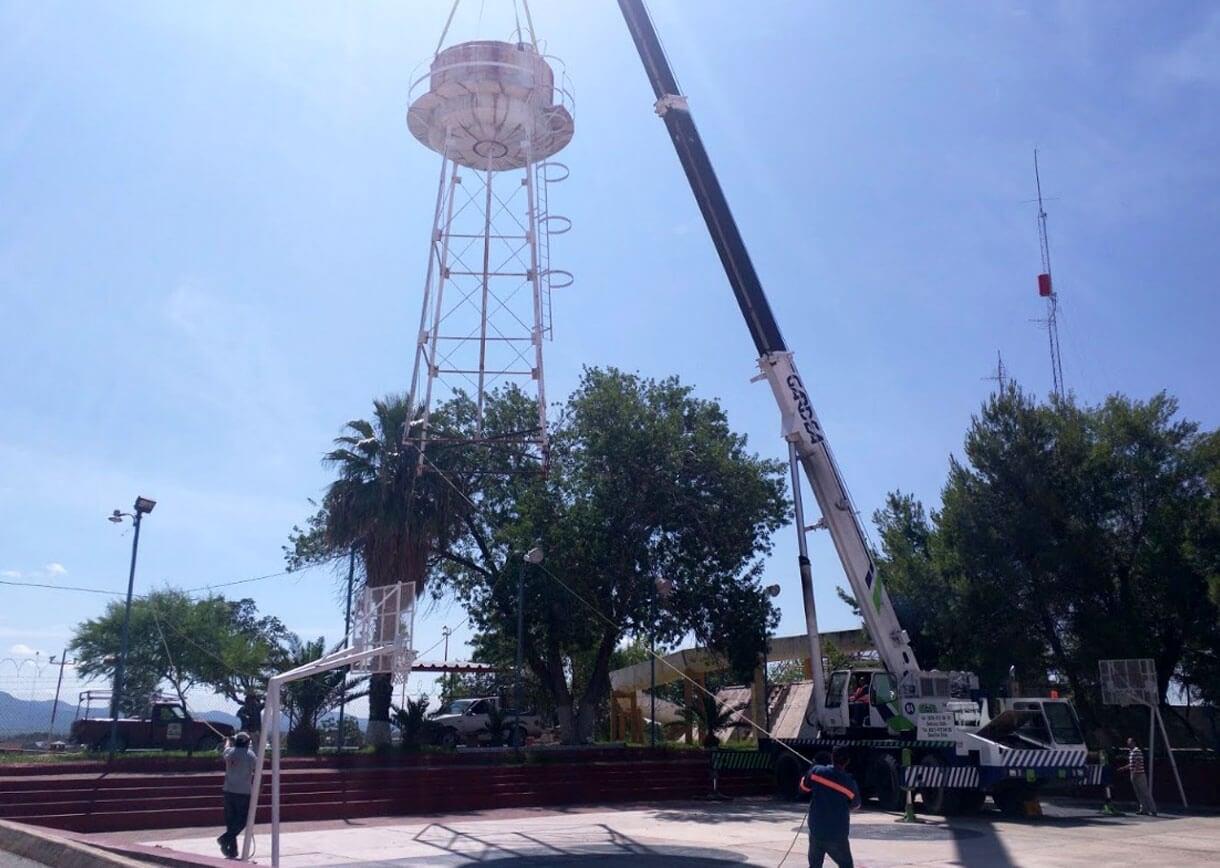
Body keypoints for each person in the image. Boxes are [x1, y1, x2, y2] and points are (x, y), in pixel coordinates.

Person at [800, 747, 861, 867]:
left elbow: (803, 788)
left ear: (832, 757)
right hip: (837, 833)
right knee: (846, 865)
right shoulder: (849, 782)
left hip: (816, 830)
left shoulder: (817, 771)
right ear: (847, 761)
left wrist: (811, 769)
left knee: (815, 865)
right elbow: (856, 805)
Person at [217, 732, 257, 858]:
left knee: (231, 821)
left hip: (228, 790)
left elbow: (226, 748)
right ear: (246, 742)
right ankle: (225, 839)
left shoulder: (229, 753)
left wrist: (228, 741)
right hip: (243, 792)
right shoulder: (251, 755)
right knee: (243, 820)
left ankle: (232, 850)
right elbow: (256, 768)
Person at [1117, 736, 1157, 816]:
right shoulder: (1131, 752)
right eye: (1128, 742)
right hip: (1134, 774)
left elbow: (1138, 763)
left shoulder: (1137, 751)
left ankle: (1153, 809)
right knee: (1138, 793)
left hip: (1139, 775)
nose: (1128, 743)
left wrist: (1135, 773)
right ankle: (1143, 809)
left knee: (1145, 792)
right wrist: (1124, 768)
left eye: (1130, 742)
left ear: (1134, 743)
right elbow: (1132, 764)